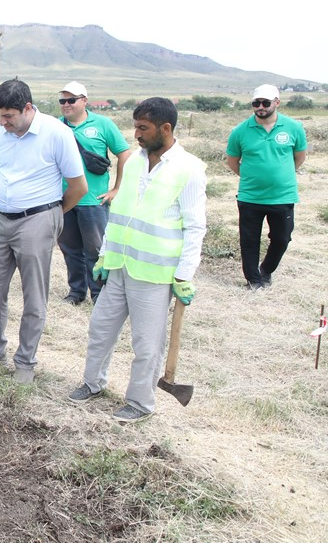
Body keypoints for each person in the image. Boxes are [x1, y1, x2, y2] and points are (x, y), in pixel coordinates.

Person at [68, 98, 207, 423]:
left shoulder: (189, 169)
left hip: (155, 274)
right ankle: (92, 383)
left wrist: (184, 274)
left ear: (166, 128)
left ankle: (140, 403)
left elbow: (195, 226)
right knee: (100, 329)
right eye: (136, 127)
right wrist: (104, 256)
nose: (137, 134)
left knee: (147, 344)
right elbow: (119, 214)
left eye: (143, 128)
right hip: (119, 266)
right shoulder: (132, 163)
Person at [0, 79, 87, 383]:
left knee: (34, 296)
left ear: (28, 108)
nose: (2, 123)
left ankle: (26, 362)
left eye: (9, 117)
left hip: (38, 219)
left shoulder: (57, 133)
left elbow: (79, 186)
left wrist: (50, 216)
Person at [55, 82, 131, 305]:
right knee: (69, 248)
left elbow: (124, 153)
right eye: (62, 101)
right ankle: (76, 292)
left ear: (84, 101)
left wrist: (117, 188)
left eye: (72, 100)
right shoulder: (57, 126)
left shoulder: (102, 124)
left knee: (95, 250)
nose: (66, 105)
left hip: (93, 200)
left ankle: (99, 294)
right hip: (64, 199)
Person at [225, 84, 307, 290]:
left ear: (277, 103)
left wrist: (281, 175)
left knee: (282, 238)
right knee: (249, 240)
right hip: (250, 196)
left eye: (265, 102)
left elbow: (299, 157)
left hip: (283, 196)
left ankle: (266, 270)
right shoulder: (240, 131)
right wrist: (252, 178)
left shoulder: (294, 128)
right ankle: (253, 280)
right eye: (256, 103)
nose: (260, 107)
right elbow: (233, 161)